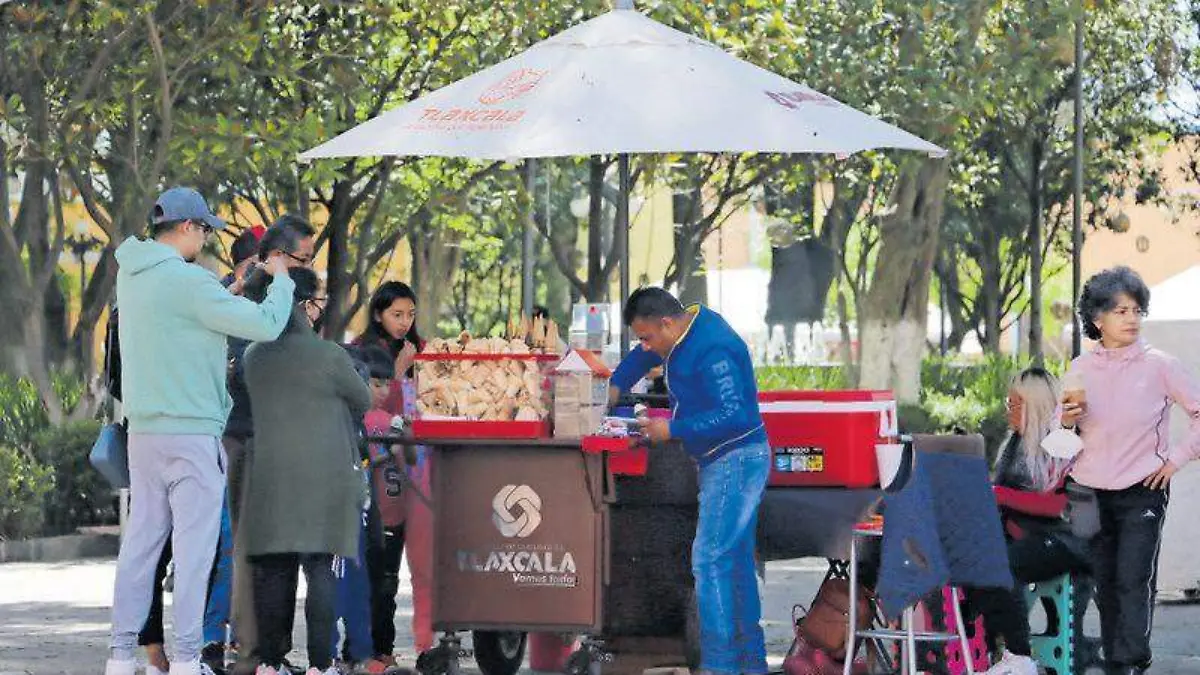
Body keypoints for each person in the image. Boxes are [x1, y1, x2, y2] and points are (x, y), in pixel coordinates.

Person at [106, 187, 295, 675]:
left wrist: (224, 293)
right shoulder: (192, 284)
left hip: (145, 434)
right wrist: (280, 279)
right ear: (187, 227)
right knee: (194, 553)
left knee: (141, 547)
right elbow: (269, 325)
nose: (206, 238)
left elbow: (185, 319)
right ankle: (188, 658)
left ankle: (120, 656)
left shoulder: (133, 277)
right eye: (205, 229)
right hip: (192, 436)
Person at [608, 287, 770, 675]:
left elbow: (734, 414)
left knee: (710, 561)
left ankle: (720, 666)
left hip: (735, 461)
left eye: (647, 337)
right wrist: (613, 385)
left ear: (666, 323)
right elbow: (641, 355)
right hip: (726, 460)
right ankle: (750, 665)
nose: (645, 347)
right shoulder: (681, 327)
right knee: (733, 565)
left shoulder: (714, 347)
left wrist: (672, 429)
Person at [1062, 266, 1200, 675]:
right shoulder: (1080, 368)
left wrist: (1176, 459)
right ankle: (1114, 662)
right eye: (1120, 311)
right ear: (1097, 318)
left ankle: (1129, 663)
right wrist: (1067, 422)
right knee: (1104, 585)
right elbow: (1057, 441)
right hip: (1087, 492)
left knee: (1133, 579)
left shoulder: (1161, 365)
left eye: (1136, 310)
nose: (1131, 319)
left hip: (1142, 489)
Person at [241, 267, 371, 675]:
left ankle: (271, 662)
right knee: (321, 569)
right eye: (315, 303)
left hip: (270, 481)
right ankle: (319, 664)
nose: (318, 311)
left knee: (274, 572)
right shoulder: (330, 356)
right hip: (324, 483)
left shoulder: (252, 356)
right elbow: (363, 399)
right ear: (299, 305)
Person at [225, 215, 318, 675]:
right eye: (304, 258)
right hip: (250, 436)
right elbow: (246, 367)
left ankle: (272, 655)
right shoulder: (250, 295)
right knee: (250, 552)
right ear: (279, 256)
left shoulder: (288, 296)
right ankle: (248, 656)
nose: (309, 267)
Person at [975, 368, 1089, 675]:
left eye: (1014, 404)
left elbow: (1058, 506)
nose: (1007, 410)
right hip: (1026, 537)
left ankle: (1019, 655)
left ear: (1035, 408)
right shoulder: (1013, 445)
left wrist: (998, 495)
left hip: (1066, 540)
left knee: (1002, 565)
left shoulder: (1064, 444)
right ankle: (983, 650)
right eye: (1008, 403)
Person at [354, 282, 432, 659]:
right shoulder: (364, 353)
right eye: (396, 314)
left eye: (410, 314)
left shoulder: (422, 351)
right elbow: (379, 412)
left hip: (412, 477)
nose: (404, 323)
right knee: (377, 572)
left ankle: (412, 645)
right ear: (378, 313)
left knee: (403, 568)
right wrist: (399, 372)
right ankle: (373, 650)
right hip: (377, 481)